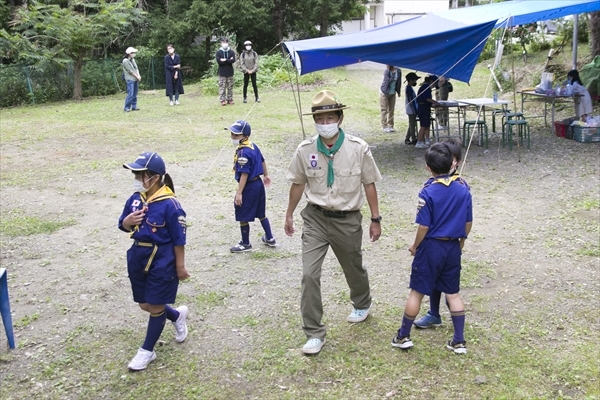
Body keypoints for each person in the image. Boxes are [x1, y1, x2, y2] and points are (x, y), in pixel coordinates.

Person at [284, 90, 383, 355]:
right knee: (308, 274)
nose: (325, 122)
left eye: (330, 117)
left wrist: (375, 219)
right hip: (315, 218)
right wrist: (289, 213)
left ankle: (362, 302)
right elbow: (298, 183)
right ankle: (314, 332)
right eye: (320, 117)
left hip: (347, 220)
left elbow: (369, 183)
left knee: (353, 267)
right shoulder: (305, 150)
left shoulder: (358, 148)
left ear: (339, 118)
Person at [391, 143, 472, 354]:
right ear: (452, 163)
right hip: (453, 247)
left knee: (416, 293)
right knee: (453, 294)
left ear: (428, 167)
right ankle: (459, 340)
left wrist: (415, 246)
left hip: (431, 247)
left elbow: (424, 225)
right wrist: (461, 243)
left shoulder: (427, 191)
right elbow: (468, 223)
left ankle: (403, 336)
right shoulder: (464, 188)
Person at [119, 151, 190, 371]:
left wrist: (179, 266)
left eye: (141, 175)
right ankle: (177, 316)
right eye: (136, 175)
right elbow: (122, 225)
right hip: (138, 256)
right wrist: (128, 222)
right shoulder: (134, 199)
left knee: (156, 305)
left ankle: (146, 351)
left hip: (162, 259)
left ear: (155, 177)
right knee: (145, 304)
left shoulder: (170, 204)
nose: (138, 179)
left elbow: (179, 239)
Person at [413, 139, 470, 330]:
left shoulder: (461, 186)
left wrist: (461, 242)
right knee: (436, 280)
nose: (451, 163)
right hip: (436, 245)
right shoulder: (431, 186)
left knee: (450, 291)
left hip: (446, 243)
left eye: (454, 160)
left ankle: (440, 318)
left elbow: (466, 220)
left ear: (457, 162)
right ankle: (433, 314)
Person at [227, 120, 276, 253]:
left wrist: (239, 193)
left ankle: (245, 243)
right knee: (261, 213)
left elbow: (244, 174)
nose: (232, 137)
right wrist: (266, 175)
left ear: (245, 136)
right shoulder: (253, 146)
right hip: (258, 184)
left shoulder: (243, 152)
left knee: (242, 210)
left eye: (236, 135)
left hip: (249, 186)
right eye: (232, 134)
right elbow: (262, 160)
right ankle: (270, 237)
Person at [415, 75, 440, 149]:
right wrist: (435, 102)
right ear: (432, 81)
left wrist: (432, 104)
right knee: (423, 126)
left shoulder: (425, 86)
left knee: (427, 125)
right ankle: (419, 142)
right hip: (423, 108)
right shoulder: (426, 87)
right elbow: (427, 98)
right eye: (435, 84)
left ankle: (427, 140)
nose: (434, 86)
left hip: (425, 107)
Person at [380, 65, 402, 132]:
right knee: (384, 109)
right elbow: (387, 81)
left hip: (393, 93)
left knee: (391, 110)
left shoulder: (398, 70)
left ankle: (391, 125)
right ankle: (384, 126)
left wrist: (398, 91)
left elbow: (399, 82)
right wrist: (392, 75)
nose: (387, 66)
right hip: (384, 92)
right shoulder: (386, 71)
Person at [216, 38, 236, 106]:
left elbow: (233, 60)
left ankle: (230, 99)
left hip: (230, 72)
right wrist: (228, 60)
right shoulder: (218, 52)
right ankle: (222, 100)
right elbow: (219, 62)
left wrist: (225, 60)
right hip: (222, 73)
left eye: (226, 42)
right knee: (222, 87)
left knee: (230, 87)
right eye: (223, 42)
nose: (224, 43)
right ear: (221, 43)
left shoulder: (231, 52)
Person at [122, 47, 141, 112]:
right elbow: (130, 71)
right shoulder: (125, 61)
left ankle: (134, 106)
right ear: (129, 53)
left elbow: (136, 68)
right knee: (131, 93)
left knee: (135, 93)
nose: (134, 54)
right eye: (133, 53)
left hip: (135, 79)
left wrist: (138, 75)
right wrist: (137, 76)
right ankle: (126, 107)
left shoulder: (133, 60)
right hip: (130, 79)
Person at [404, 72, 420, 145]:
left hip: (411, 109)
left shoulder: (410, 88)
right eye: (414, 80)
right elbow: (411, 101)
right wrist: (415, 110)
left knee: (412, 124)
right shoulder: (409, 89)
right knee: (412, 125)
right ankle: (413, 138)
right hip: (411, 110)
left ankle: (407, 138)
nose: (415, 82)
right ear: (410, 80)